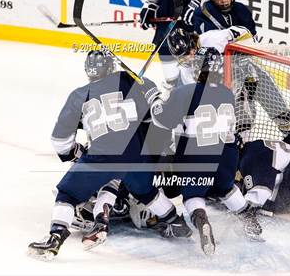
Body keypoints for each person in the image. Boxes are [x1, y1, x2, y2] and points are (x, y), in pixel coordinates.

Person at [27, 50, 192, 261]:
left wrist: (76, 153)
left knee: (67, 193)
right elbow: (154, 115)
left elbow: (60, 142)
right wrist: (145, 87)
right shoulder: (128, 80)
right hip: (137, 157)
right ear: (111, 67)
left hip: (101, 157)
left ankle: (55, 238)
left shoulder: (79, 95)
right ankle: (178, 223)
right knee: (147, 193)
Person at [145, 47, 256, 255]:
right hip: (228, 156)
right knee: (225, 188)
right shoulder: (227, 93)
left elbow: (162, 120)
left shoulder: (185, 92)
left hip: (197, 155)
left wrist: (156, 99)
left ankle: (202, 219)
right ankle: (249, 220)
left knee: (192, 195)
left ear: (198, 69)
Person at [140, 0, 219, 89]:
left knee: (193, 68)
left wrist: (199, 3)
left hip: (192, 21)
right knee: (168, 62)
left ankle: (193, 96)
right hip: (167, 21)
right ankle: (173, 89)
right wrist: (151, 5)